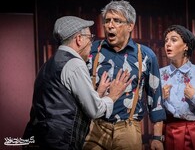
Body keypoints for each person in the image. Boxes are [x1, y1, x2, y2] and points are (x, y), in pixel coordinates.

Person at [22, 16, 133, 150]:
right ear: (79, 39)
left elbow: (63, 102)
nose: (91, 44)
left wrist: (97, 94)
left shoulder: (48, 64)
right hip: (59, 143)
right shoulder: (74, 63)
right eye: (89, 38)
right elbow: (95, 111)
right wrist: (113, 95)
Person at [83, 0, 166, 150]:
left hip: (128, 128)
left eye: (117, 21)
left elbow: (155, 98)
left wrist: (157, 137)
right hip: (95, 127)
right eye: (107, 20)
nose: (110, 25)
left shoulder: (146, 55)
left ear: (130, 26)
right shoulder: (91, 51)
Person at [159, 25, 195, 150]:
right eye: (166, 41)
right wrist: (160, 99)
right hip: (169, 132)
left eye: (173, 40)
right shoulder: (159, 74)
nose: (167, 44)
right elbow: (151, 109)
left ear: (186, 46)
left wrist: (194, 97)